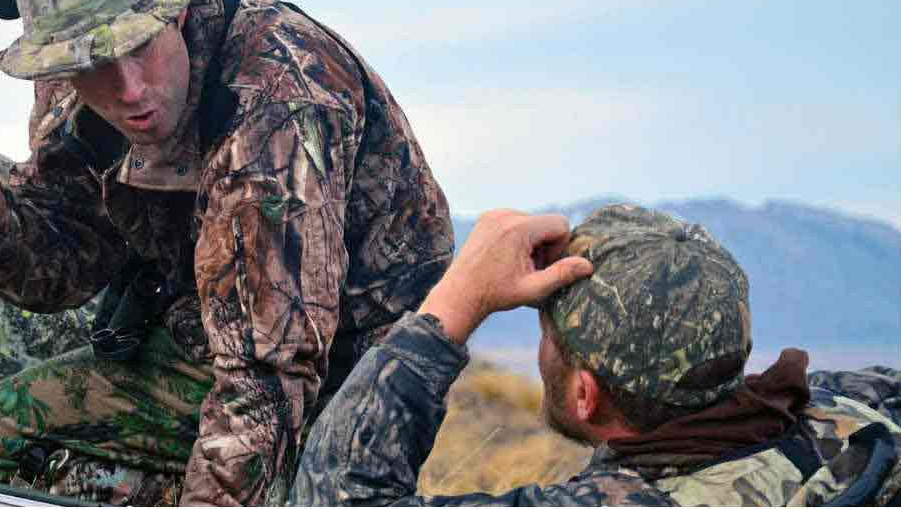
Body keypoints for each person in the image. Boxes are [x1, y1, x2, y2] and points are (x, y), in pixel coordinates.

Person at [0, 0, 454, 505]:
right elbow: (66, 263)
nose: (130, 90)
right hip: (209, 330)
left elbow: (269, 380)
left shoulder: (277, 96)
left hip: (357, 366)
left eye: (139, 45)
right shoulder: (70, 85)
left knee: (312, 493)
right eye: (94, 63)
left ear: (175, 11)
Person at [290, 203, 901, 506]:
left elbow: (336, 498)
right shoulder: (863, 413)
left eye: (549, 334)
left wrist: (455, 303)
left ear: (586, 395)